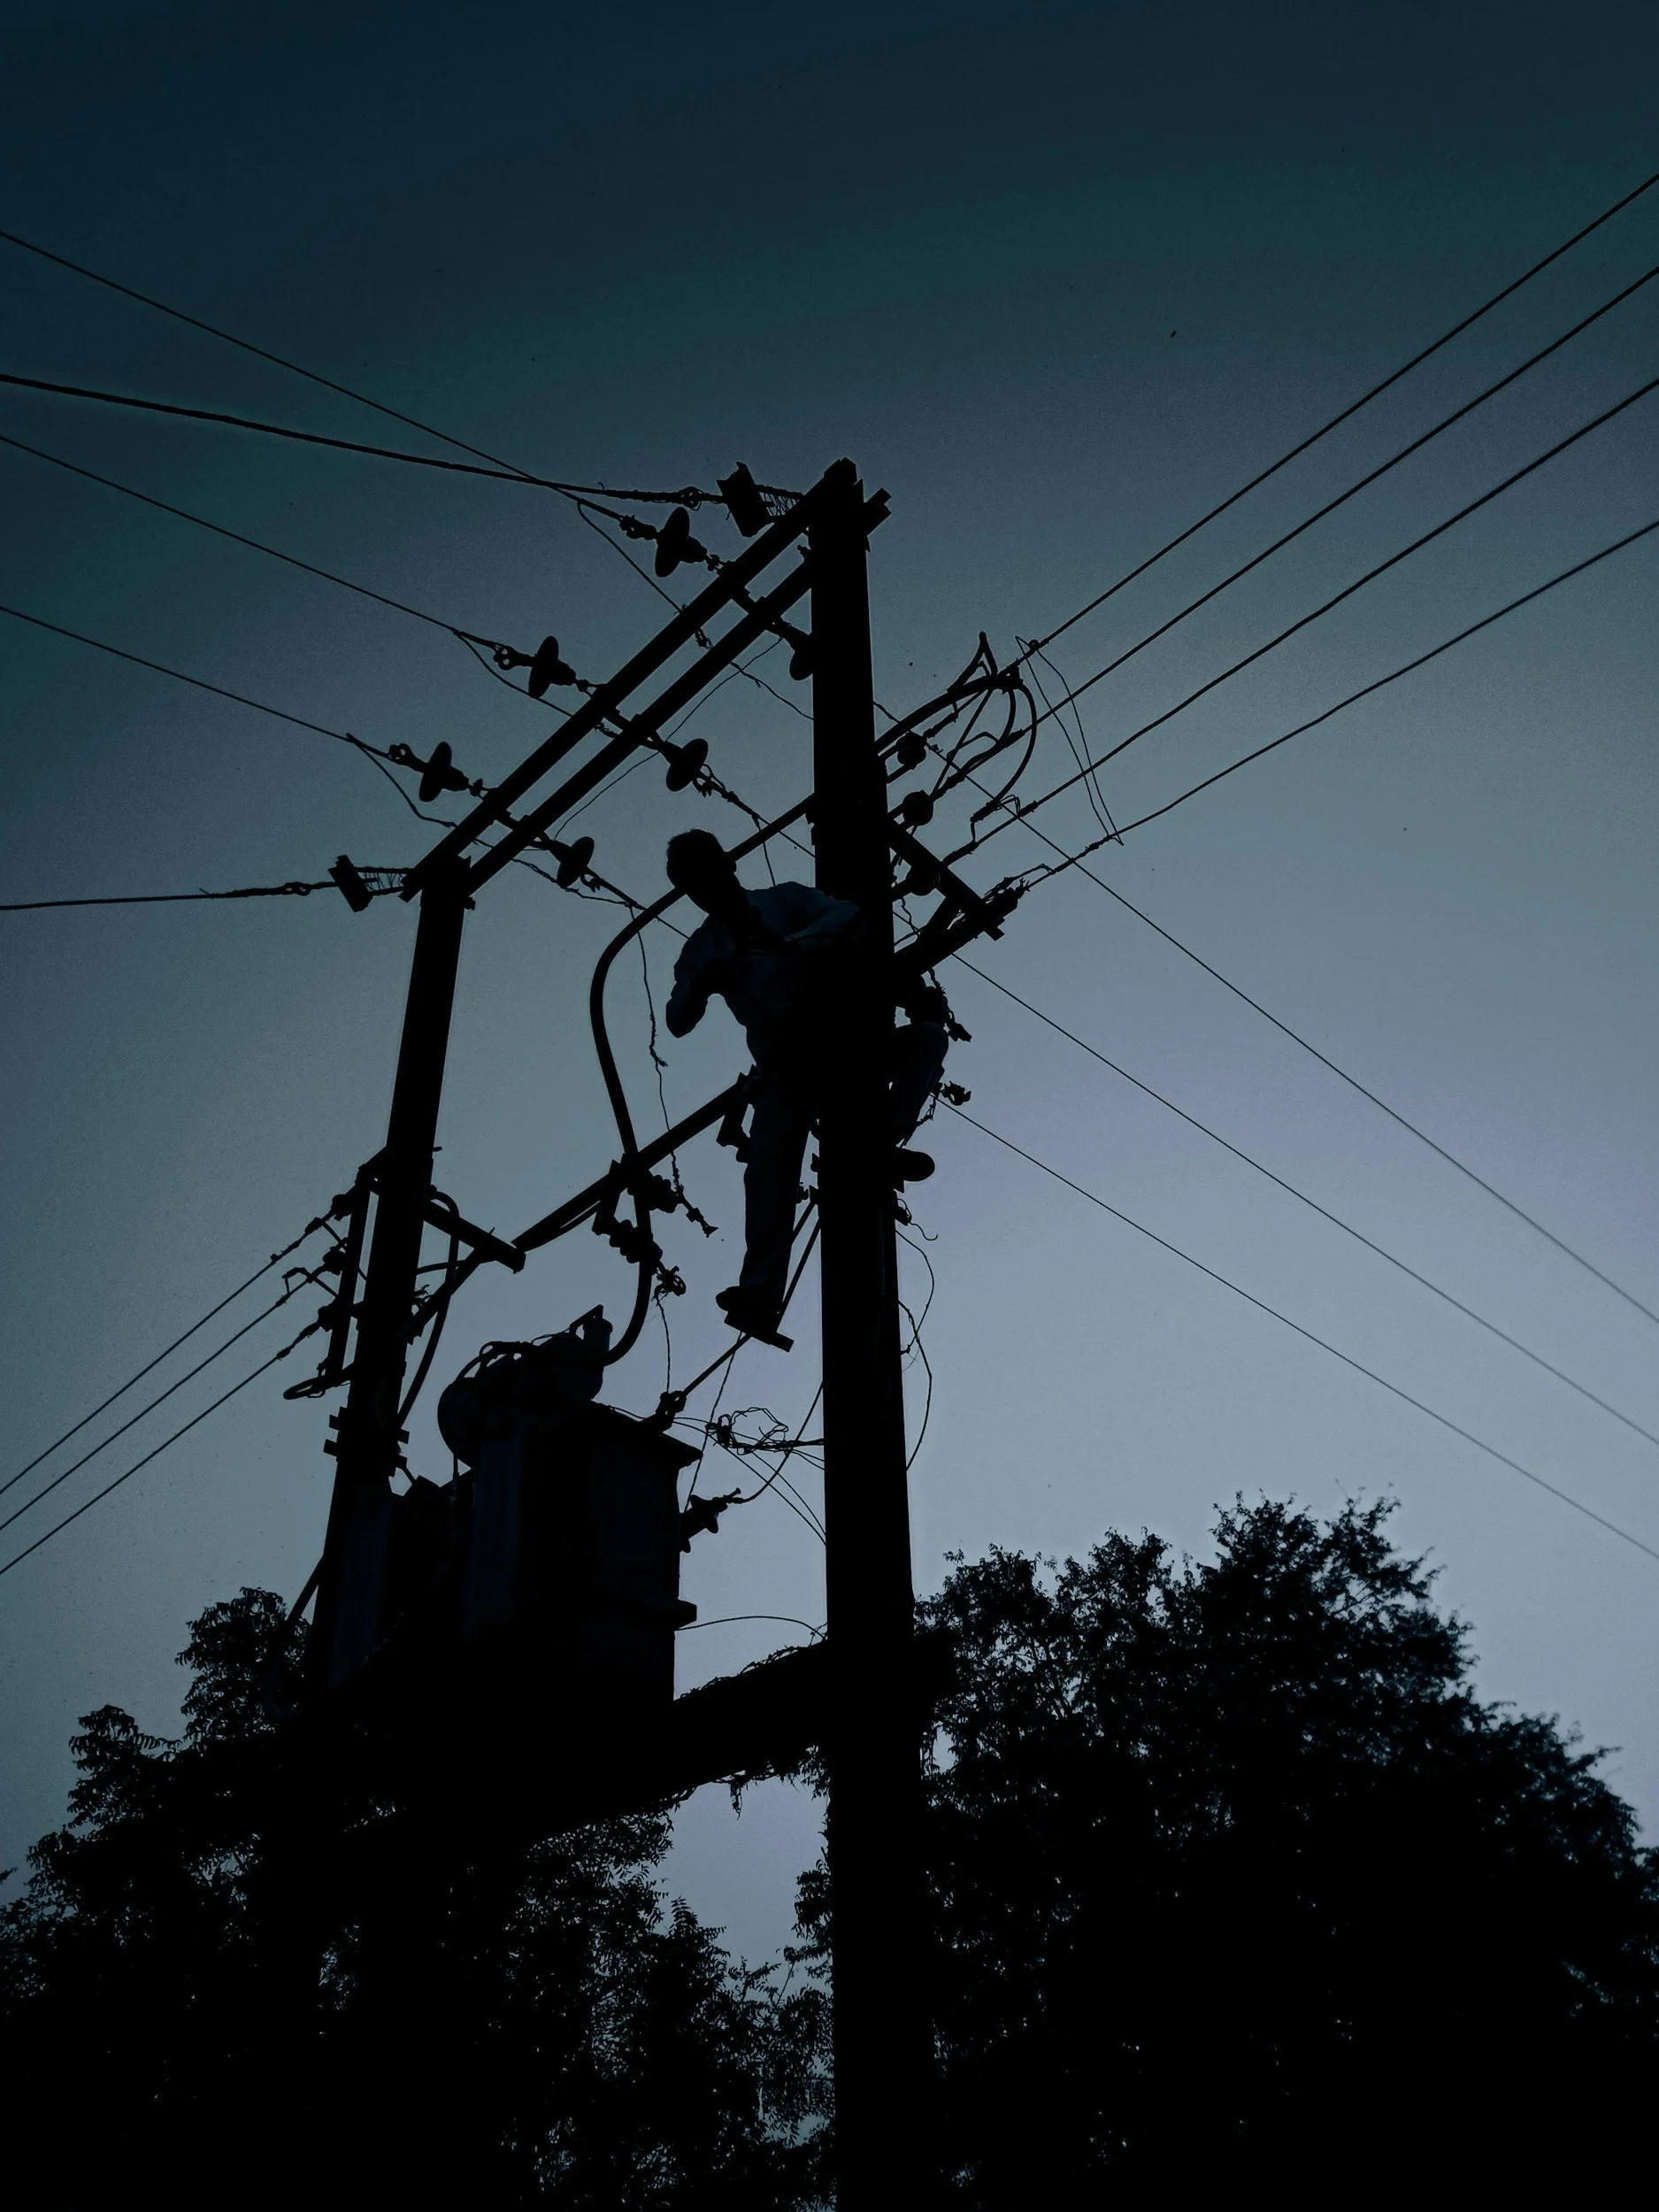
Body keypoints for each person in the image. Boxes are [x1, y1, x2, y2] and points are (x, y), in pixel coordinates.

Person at [664, 829, 947, 1340]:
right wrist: (702, 986)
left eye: (704, 875)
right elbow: (677, 1018)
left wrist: (795, 945)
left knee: (926, 1039)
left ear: (726, 866)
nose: (701, 891)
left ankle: (882, 1139)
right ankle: (759, 1293)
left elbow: (850, 916)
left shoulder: (783, 900)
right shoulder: (702, 950)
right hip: (785, 1068)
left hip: (843, 1043)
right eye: (690, 885)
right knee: (768, 1172)